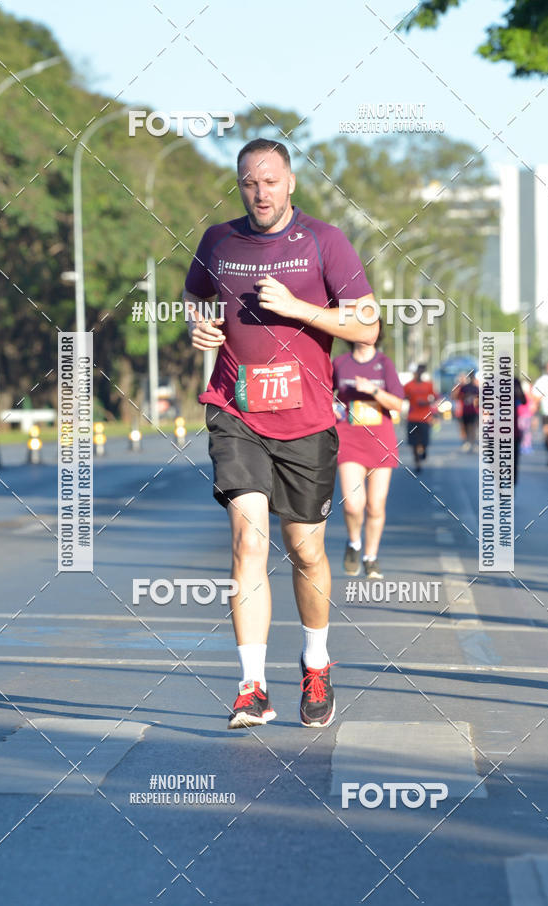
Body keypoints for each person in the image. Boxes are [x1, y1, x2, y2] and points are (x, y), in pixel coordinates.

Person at [184, 138, 378, 729]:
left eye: (270, 181)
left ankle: (316, 662)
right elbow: (194, 295)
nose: (260, 193)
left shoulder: (325, 241)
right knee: (248, 542)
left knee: (306, 551)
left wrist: (298, 308)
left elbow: (367, 327)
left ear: (291, 182)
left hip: (307, 420)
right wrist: (198, 325)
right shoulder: (219, 241)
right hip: (235, 411)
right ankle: (252, 687)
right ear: (239, 185)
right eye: (249, 182)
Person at [332, 323, 403, 579]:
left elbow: (398, 403)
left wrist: (373, 390)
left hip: (380, 442)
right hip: (349, 438)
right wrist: (331, 408)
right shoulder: (340, 363)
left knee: (375, 506)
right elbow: (324, 393)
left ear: (377, 333)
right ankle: (354, 542)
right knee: (353, 505)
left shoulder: (384, 364)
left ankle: (370, 557)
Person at [403, 364, 436, 473]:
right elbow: (402, 396)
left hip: (425, 419)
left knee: (424, 441)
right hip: (412, 418)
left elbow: (435, 397)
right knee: (413, 443)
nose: (418, 374)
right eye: (417, 372)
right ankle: (417, 462)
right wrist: (408, 398)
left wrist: (426, 402)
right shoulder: (408, 385)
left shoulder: (428, 385)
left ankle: (424, 450)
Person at [454, 371, 479, 451]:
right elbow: (458, 397)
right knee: (466, 426)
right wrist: (465, 396)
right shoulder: (464, 388)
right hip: (465, 411)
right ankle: (467, 441)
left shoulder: (476, 388)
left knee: (473, 427)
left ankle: (472, 442)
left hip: (474, 411)